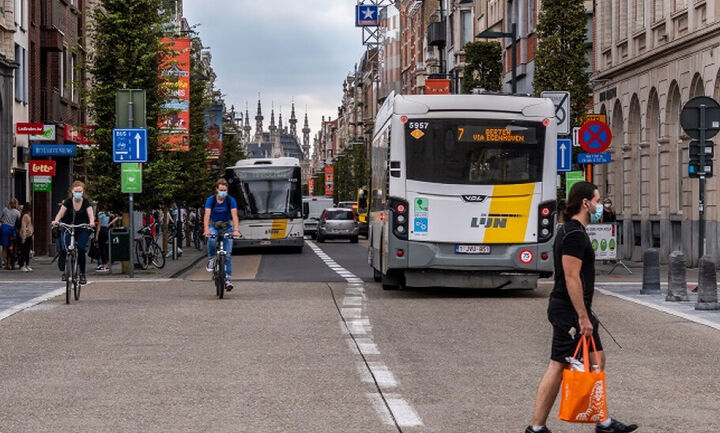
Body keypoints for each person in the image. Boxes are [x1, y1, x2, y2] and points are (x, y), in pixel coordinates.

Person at [525, 182, 638, 433]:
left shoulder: (573, 230)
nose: (600, 206)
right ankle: (536, 428)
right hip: (569, 310)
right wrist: (582, 317)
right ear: (585, 203)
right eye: (597, 201)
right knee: (557, 365)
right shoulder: (574, 234)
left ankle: (603, 421)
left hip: (574, 308)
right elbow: (571, 276)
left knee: (597, 358)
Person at [52, 181, 95, 284]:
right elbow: (60, 214)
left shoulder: (86, 202)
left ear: (83, 191)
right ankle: (66, 271)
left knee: (81, 248)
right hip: (68, 227)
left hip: (82, 228)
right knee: (65, 248)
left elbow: (90, 214)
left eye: (80, 191)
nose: (78, 193)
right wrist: (56, 221)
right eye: (76, 191)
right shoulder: (67, 201)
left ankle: (82, 274)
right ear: (72, 191)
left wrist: (92, 222)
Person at [204, 178, 241, 291]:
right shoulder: (211, 200)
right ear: (217, 189)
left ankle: (228, 279)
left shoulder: (231, 200)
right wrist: (206, 229)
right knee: (211, 239)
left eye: (225, 190)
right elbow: (207, 215)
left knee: (228, 255)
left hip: (227, 227)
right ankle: (211, 259)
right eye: (221, 190)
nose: (223, 192)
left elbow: (234, 216)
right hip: (214, 226)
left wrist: (236, 230)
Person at [95, 208, 119, 272]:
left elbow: (99, 225)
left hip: (102, 231)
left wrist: (97, 235)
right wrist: (110, 223)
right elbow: (117, 217)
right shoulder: (108, 213)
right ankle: (105, 264)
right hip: (107, 230)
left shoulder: (100, 214)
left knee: (101, 248)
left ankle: (104, 264)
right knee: (105, 247)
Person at [1, 198, 21, 270]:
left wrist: (3, 221)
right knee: (13, 244)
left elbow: (0, 218)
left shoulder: (5, 210)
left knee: (4, 248)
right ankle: (13, 258)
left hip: (4, 229)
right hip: (11, 230)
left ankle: (6, 264)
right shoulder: (17, 212)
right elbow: (19, 221)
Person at [18, 201, 34, 272]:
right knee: (24, 251)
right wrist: (23, 237)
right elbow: (23, 227)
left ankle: (27, 264)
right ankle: (22, 265)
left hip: (29, 235)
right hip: (26, 235)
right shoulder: (25, 216)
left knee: (27, 251)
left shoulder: (28, 215)